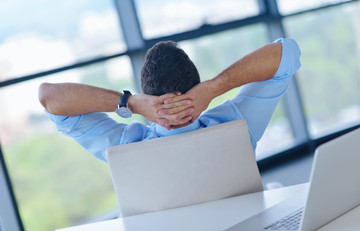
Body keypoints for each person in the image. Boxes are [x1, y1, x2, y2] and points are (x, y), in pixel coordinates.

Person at [38, 38, 301, 162]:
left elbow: (49, 98)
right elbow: (286, 52)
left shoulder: (125, 147)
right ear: (196, 86)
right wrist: (213, 88)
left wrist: (129, 102)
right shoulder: (236, 122)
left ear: (147, 98)